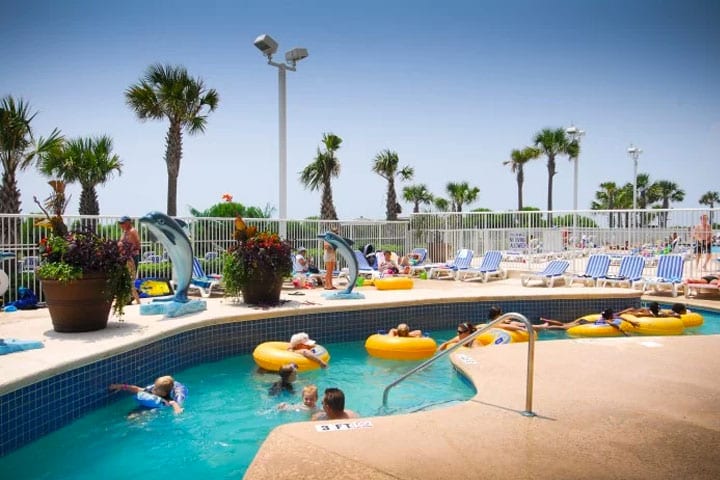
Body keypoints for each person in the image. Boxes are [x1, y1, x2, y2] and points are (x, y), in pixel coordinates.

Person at [109, 375, 184, 414]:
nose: (154, 389)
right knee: (131, 415)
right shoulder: (152, 390)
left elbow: (174, 403)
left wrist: (178, 410)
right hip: (146, 405)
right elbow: (137, 389)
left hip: (155, 409)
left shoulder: (167, 398)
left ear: (163, 393)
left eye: (156, 388)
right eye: (155, 386)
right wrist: (121, 386)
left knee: (145, 414)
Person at [117, 215, 141, 305]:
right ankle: (129, 298)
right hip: (125, 257)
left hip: (131, 258)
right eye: (120, 223)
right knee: (127, 279)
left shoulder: (132, 231)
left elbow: (138, 246)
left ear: (128, 222)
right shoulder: (125, 232)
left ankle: (137, 300)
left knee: (130, 279)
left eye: (122, 223)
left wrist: (128, 249)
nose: (121, 225)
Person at [323, 226, 339, 290]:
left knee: (331, 271)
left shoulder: (335, 238)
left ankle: (330, 285)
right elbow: (326, 246)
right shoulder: (327, 238)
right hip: (328, 255)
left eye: (336, 232)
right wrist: (332, 246)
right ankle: (327, 285)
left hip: (332, 255)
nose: (336, 233)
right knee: (328, 271)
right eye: (335, 232)